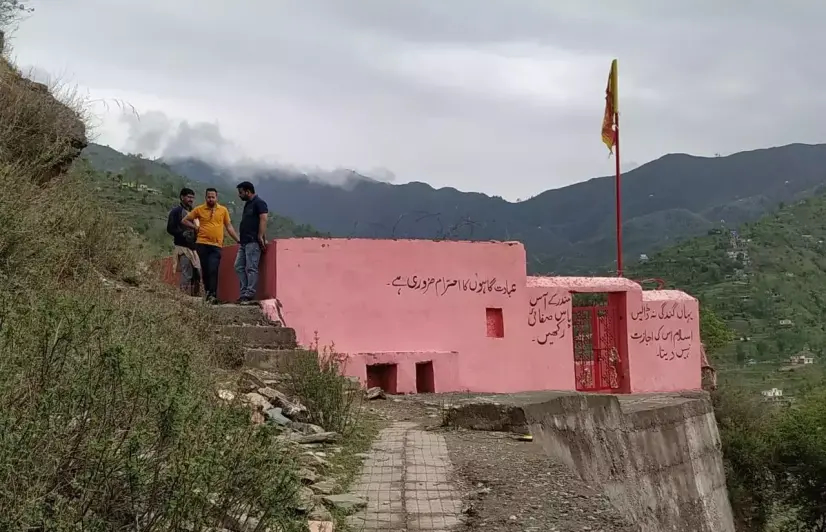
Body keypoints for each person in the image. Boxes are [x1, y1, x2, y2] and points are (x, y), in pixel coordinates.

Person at [182, 188, 240, 303]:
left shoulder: (223, 210)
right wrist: (195, 227)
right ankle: (208, 294)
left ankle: (213, 295)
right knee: (205, 270)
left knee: (213, 269)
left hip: (216, 245)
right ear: (205, 198)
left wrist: (238, 240)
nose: (211, 199)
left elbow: (228, 226)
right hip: (202, 244)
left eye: (213, 197)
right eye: (209, 197)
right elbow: (184, 220)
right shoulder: (199, 209)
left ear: (216, 198)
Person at [235, 181, 269, 304]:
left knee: (251, 267)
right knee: (238, 266)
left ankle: (249, 293)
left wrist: (260, 236)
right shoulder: (248, 204)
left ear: (248, 192)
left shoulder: (259, 203)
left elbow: (264, 218)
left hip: (253, 242)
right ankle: (244, 291)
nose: (239, 195)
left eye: (241, 192)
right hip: (244, 242)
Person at [166, 187, 202, 296]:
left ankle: (195, 297)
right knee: (187, 273)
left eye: (192, 197)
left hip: (194, 247)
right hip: (182, 247)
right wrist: (182, 233)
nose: (191, 199)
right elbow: (170, 228)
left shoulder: (193, 212)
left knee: (197, 274)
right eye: (188, 197)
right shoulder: (176, 211)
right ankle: (183, 297)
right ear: (182, 197)